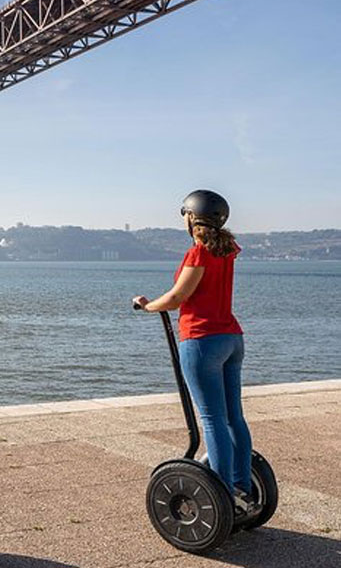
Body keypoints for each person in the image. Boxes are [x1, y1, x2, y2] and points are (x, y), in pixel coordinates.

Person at [132, 190, 257, 516]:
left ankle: (223, 494)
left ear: (191, 218)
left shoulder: (198, 254)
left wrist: (148, 306)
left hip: (202, 341)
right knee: (234, 418)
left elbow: (177, 297)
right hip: (232, 338)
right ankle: (242, 487)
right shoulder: (227, 249)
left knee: (213, 420)